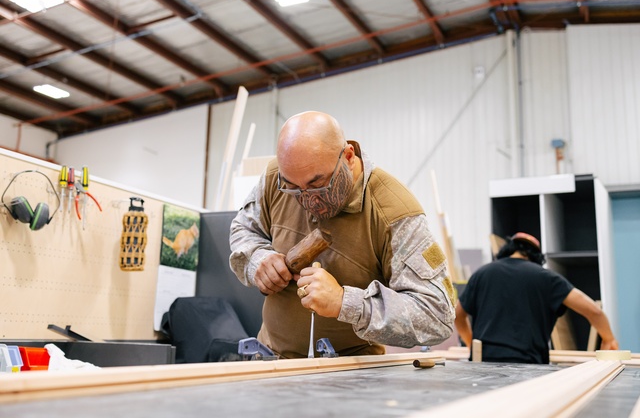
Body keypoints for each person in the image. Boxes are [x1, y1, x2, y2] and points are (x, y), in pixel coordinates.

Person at [229, 111, 455, 358]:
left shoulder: (395, 213)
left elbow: (437, 315)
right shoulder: (277, 177)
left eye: (318, 184)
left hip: (350, 374)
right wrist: (257, 260)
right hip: (270, 360)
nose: (306, 200)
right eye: (293, 188)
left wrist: (344, 302)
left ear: (348, 157)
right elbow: (243, 229)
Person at [454, 232, 619, 364]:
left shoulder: (482, 274)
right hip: (529, 365)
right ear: (536, 256)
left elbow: (457, 315)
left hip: (485, 363)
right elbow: (594, 311)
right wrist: (609, 339)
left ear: (508, 250)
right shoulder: (547, 278)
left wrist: (471, 344)